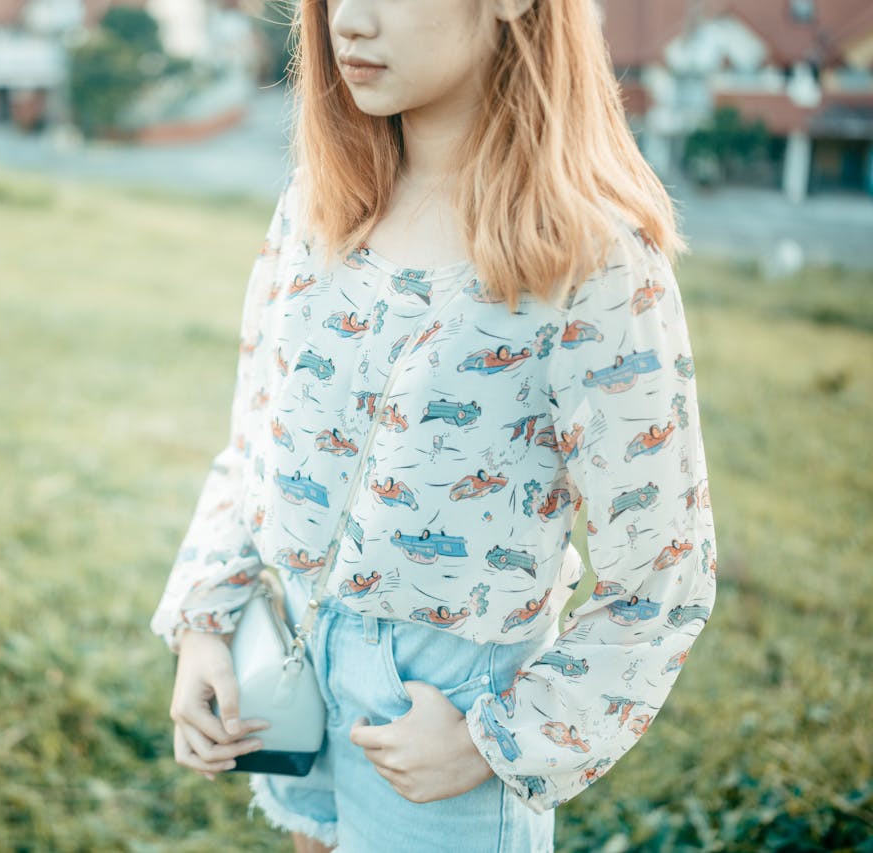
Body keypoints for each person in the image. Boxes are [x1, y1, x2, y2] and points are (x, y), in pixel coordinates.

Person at [150, 0, 718, 850]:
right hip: (295, 675)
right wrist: (205, 623)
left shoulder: (594, 260)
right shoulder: (319, 208)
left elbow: (663, 575)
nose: (350, 21)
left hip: (449, 713)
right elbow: (256, 448)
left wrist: (497, 738)